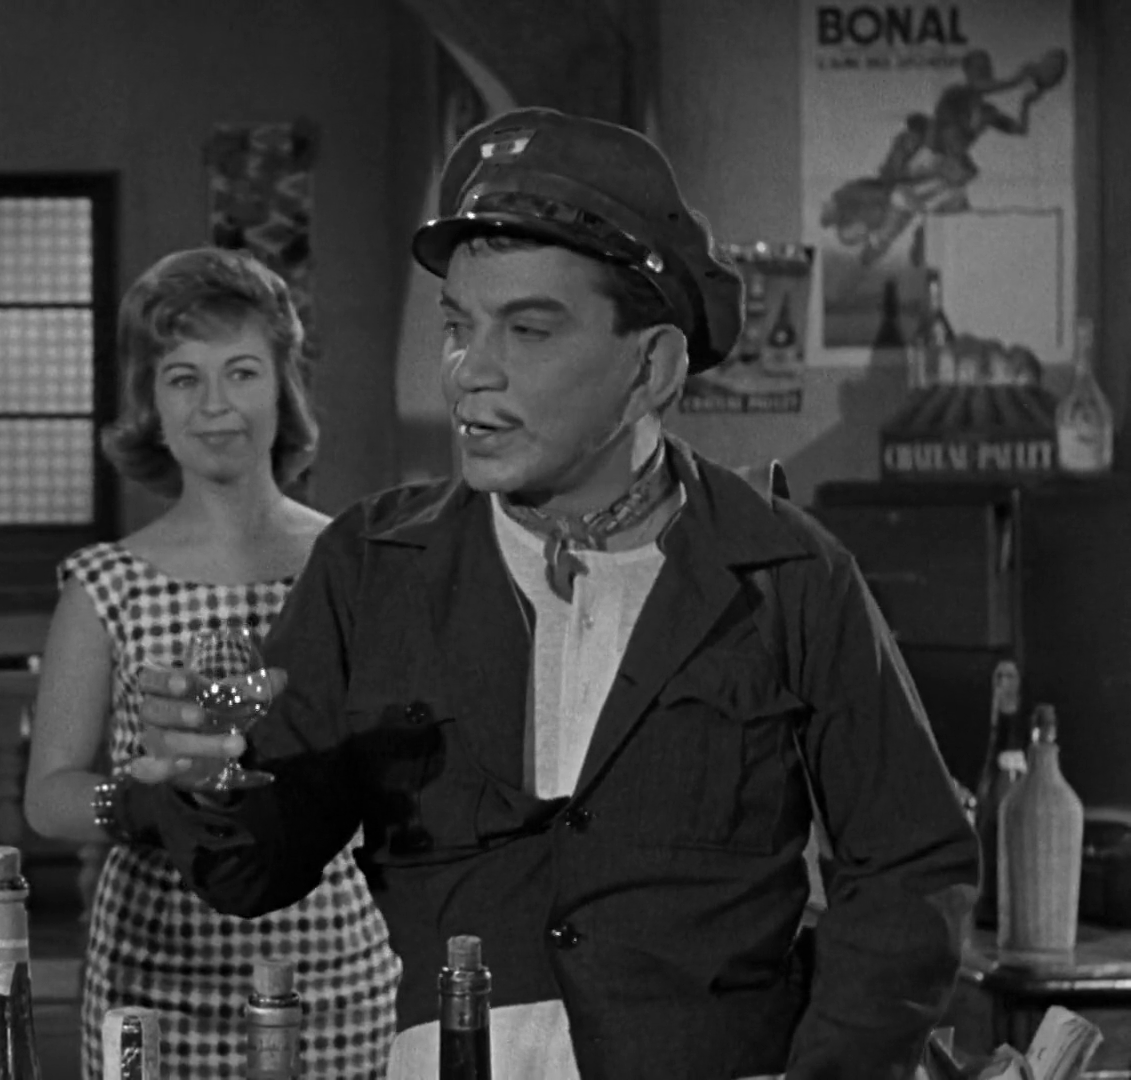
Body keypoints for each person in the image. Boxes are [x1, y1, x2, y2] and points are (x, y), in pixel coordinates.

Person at [109, 109, 979, 1078]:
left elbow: (910, 866)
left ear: (650, 366)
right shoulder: (373, 566)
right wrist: (210, 781)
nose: (469, 371)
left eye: (527, 330)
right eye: (457, 326)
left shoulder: (786, 575)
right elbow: (255, 872)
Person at [22, 247, 400, 1079]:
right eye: (183, 378)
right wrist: (146, 804)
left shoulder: (352, 560)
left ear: (282, 389)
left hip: (334, 967)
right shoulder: (105, 583)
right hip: (154, 972)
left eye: (241, 372)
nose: (215, 404)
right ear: (150, 403)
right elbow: (47, 796)